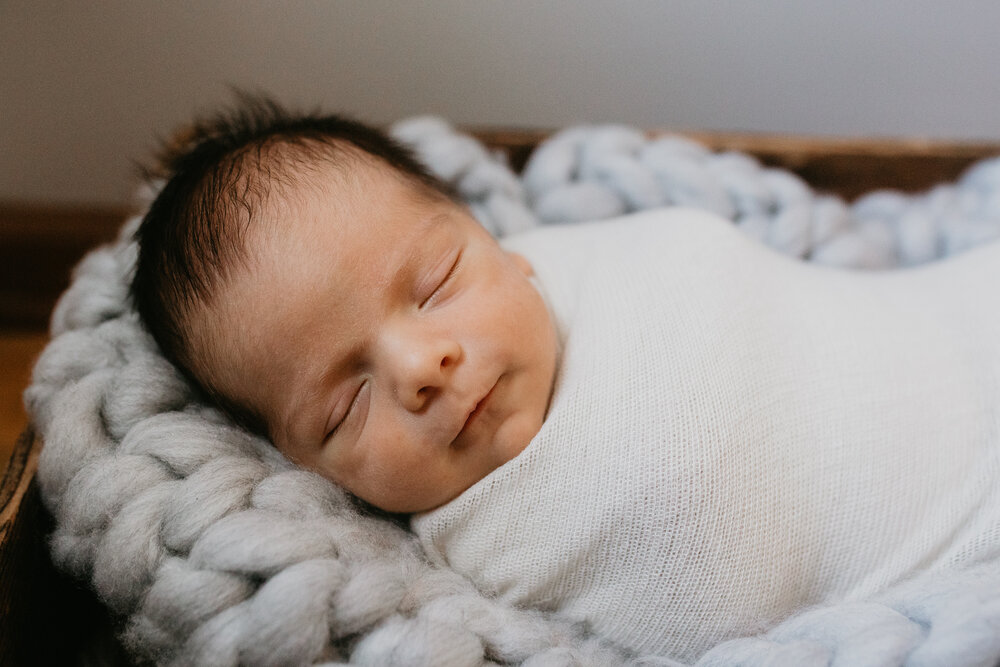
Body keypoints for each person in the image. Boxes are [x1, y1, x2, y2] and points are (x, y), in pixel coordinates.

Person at [132, 98, 1000, 662]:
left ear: (493, 240)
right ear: (298, 465)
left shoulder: (570, 267)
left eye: (434, 284)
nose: (419, 367)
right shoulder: (476, 566)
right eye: (344, 403)